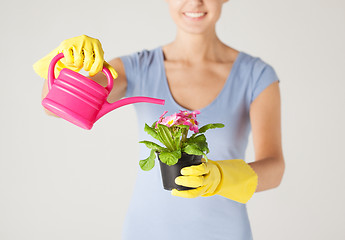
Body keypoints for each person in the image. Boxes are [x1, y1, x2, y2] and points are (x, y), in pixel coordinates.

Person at [34, 0, 285, 239]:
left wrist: (221, 177)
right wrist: (63, 62)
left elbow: (274, 169)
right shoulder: (136, 68)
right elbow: (55, 107)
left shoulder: (257, 75)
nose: (195, 2)